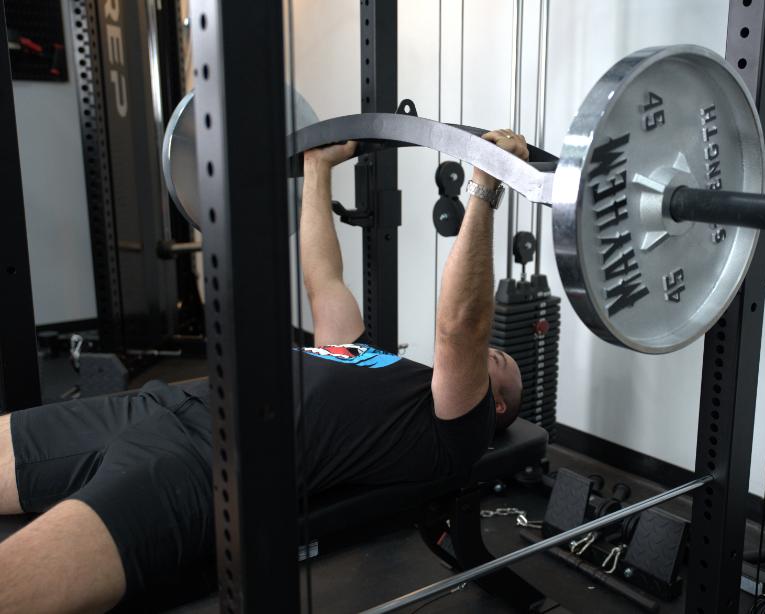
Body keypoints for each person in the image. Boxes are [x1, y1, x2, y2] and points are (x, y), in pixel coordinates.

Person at [0, 129, 528, 613]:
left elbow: (462, 324)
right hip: (166, 404)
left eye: (499, 362)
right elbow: (323, 279)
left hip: (201, 466)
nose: (492, 352)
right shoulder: (376, 359)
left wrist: (485, 186)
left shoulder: (457, 429)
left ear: (495, 406)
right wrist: (319, 169)